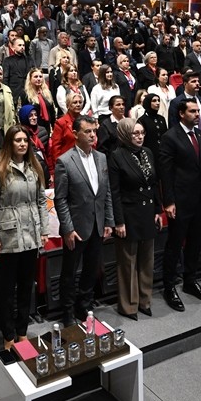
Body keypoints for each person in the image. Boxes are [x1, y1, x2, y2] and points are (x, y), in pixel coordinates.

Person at [0, 125, 50, 347]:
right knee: (7, 291)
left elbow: (41, 201)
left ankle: (22, 332)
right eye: (17, 140)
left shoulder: (35, 167)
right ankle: (8, 336)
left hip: (31, 235)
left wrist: (44, 230)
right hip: (8, 236)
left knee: (25, 288)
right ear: (9, 143)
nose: (22, 144)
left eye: (25, 140)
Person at [53, 115, 113, 324]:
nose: (92, 135)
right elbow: (60, 199)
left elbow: (106, 193)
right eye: (87, 132)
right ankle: (67, 312)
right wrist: (68, 229)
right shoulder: (65, 161)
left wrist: (109, 221)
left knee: (91, 269)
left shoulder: (101, 158)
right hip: (76, 228)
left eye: (94, 131)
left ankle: (83, 306)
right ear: (75, 133)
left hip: (97, 224)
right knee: (69, 273)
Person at [158, 98, 201, 312]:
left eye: (198, 111)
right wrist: (169, 201)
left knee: (196, 242)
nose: (197, 114)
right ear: (181, 113)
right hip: (180, 201)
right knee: (174, 245)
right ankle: (169, 286)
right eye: (192, 111)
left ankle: (190, 281)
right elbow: (166, 172)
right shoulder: (170, 137)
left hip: (200, 198)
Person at [108, 117, 161, 319]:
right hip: (129, 215)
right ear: (125, 135)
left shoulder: (147, 153)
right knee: (128, 262)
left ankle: (145, 300)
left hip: (147, 212)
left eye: (141, 133)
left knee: (147, 260)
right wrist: (118, 221)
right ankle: (129, 305)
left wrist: (158, 210)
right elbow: (115, 192)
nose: (139, 137)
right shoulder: (117, 156)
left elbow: (154, 184)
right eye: (135, 134)